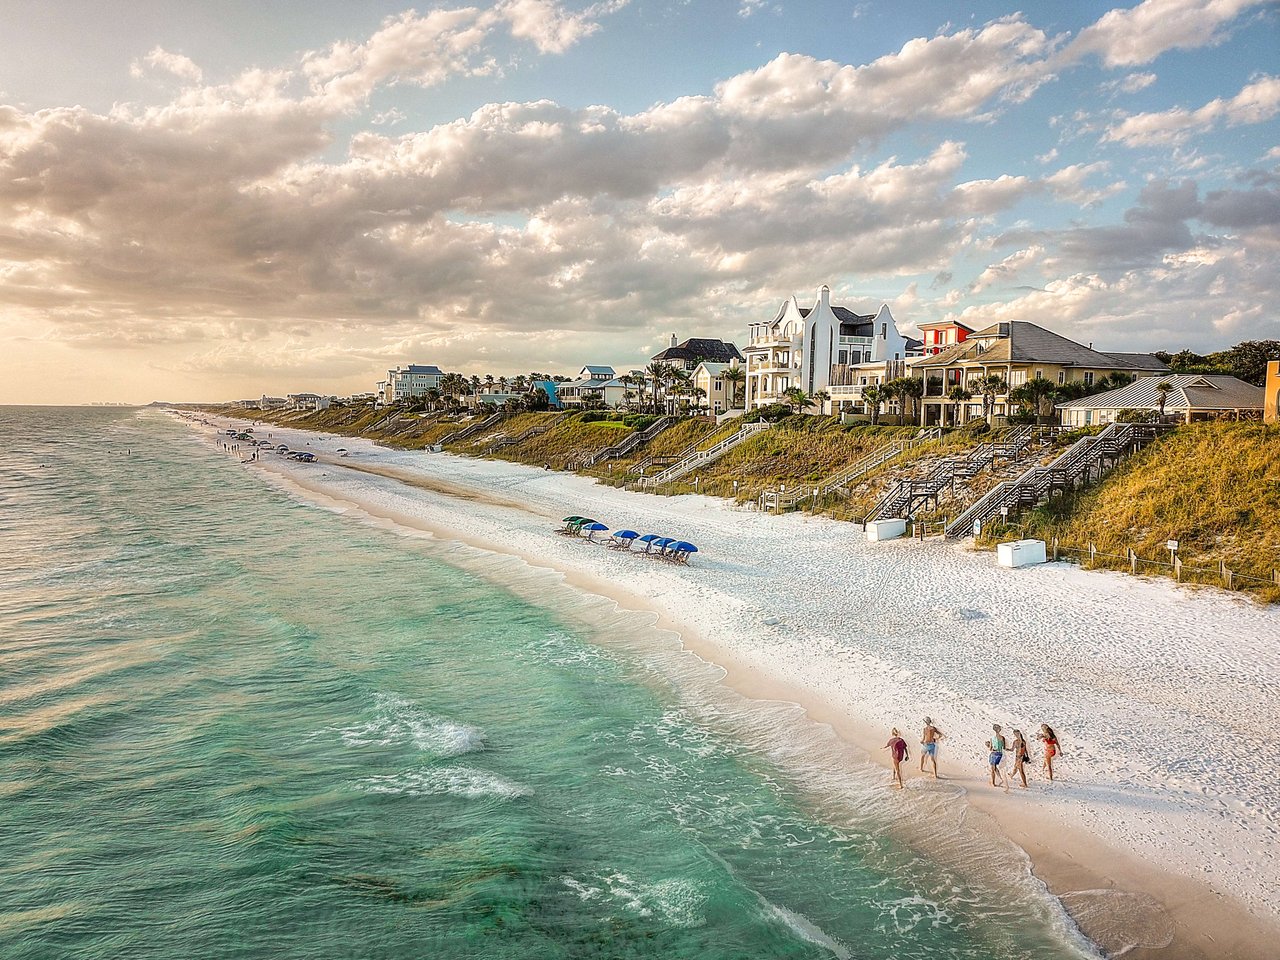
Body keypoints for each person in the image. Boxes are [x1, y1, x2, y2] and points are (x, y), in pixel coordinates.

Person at [989, 724, 1007, 789]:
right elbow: (1004, 747)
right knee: (994, 768)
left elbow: (990, 748)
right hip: (999, 753)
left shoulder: (992, 738)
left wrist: (991, 747)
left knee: (993, 769)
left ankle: (994, 782)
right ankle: (999, 779)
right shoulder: (1002, 738)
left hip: (994, 754)